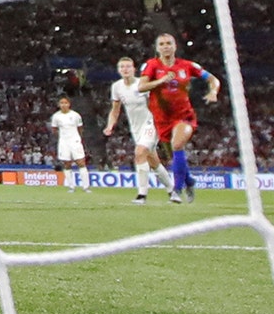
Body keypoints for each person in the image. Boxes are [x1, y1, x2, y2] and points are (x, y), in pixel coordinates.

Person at [137, 33, 220, 203]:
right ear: (157, 48)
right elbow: (141, 87)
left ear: (175, 46)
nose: (166, 46)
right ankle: (189, 181)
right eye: (162, 44)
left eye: (169, 43)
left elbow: (213, 79)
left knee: (177, 144)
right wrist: (160, 81)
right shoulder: (152, 66)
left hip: (184, 116)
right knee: (174, 155)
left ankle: (177, 190)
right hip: (161, 119)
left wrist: (213, 92)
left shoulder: (187, 66)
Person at [104, 56, 175, 204]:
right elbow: (115, 110)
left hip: (151, 123)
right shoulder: (117, 87)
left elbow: (156, 103)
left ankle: (142, 195)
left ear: (134, 69)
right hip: (136, 127)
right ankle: (172, 191)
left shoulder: (142, 85)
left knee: (140, 151)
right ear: (118, 70)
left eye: (128, 66)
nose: (125, 69)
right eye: (122, 67)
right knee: (153, 161)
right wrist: (110, 126)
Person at [49, 95, 91, 193]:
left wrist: (77, 138)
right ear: (59, 105)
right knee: (67, 164)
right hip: (64, 142)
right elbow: (54, 129)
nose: (64, 105)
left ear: (69, 104)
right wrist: (62, 137)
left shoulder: (75, 115)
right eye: (62, 103)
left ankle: (86, 187)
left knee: (81, 162)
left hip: (75, 141)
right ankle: (71, 186)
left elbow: (80, 128)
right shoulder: (56, 116)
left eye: (65, 103)